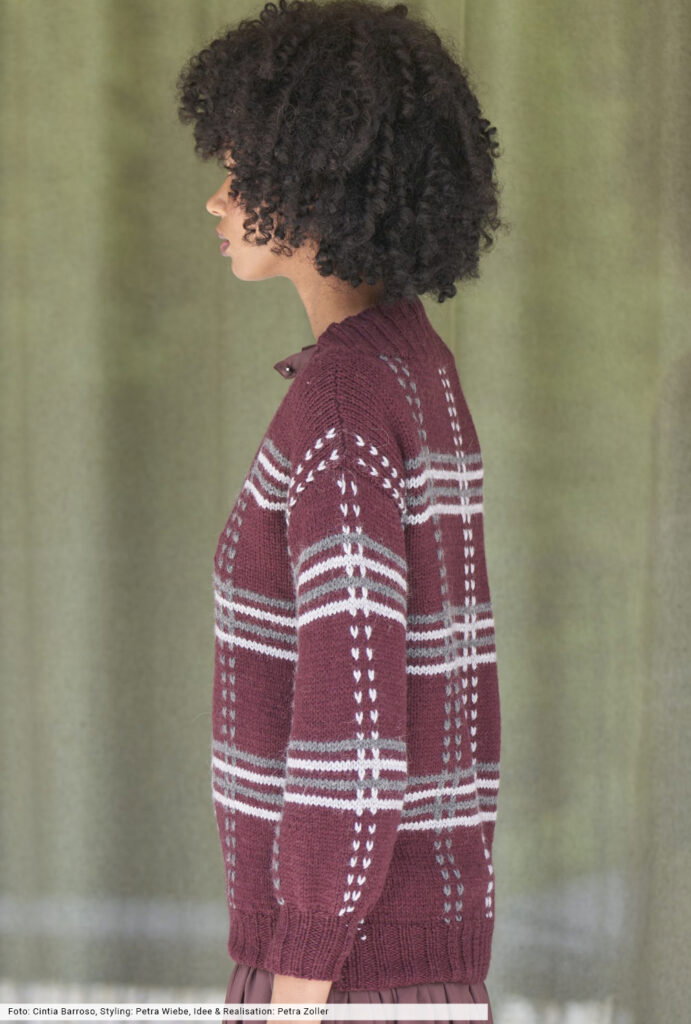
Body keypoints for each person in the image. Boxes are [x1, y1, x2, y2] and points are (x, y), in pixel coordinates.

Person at [176, 2, 509, 1021]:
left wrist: (295, 986)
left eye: (239, 173)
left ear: (315, 185)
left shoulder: (342, 403)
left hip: (340, 980)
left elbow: (352, 734)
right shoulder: (415, 368)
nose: (215, 200)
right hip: (406, 963)